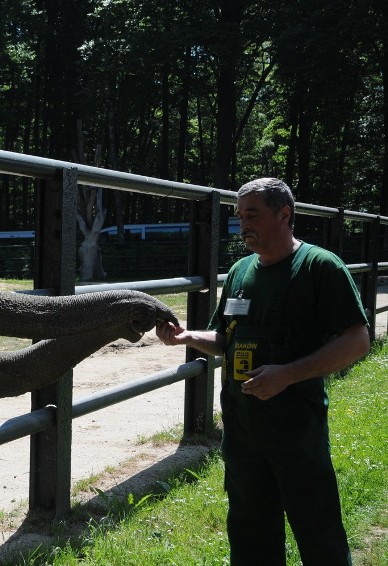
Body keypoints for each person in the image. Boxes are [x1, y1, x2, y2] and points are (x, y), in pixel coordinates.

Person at [156, 177, 370, 565]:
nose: (243, 226)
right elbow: (225, 339)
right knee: (250, 532)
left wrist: (287, 374)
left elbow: (357, 341)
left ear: (284, 214)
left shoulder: (319, 267)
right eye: (239, 217)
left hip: (295, 429)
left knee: (317, 529)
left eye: (252, 215)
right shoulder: (240, 272)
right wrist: (186, 337)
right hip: (243, 432)